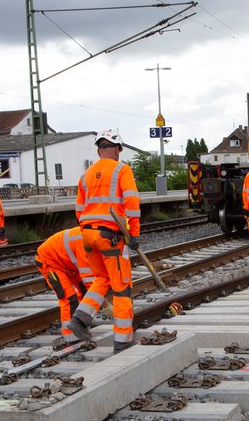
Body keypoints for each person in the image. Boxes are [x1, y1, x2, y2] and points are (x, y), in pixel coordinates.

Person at [67, 130, 141, 353]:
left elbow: (79, 210)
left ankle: (80, 319)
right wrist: (134, 234)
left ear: (99, 149)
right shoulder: (122, 169)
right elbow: (131, 202)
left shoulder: (86, 174)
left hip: (87, 235)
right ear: (118, 148)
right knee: (121, 289)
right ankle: (123, 341)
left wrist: (89, 229)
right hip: (110, 236)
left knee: (101, 279)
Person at [35, 227, 95, 344]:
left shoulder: (91, 236)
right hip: (50, 262)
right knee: (69, 298)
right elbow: (89, 280)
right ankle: (72, 337)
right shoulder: (84, 244)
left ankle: (80, 323)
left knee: (85, 293)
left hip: (67, 263)